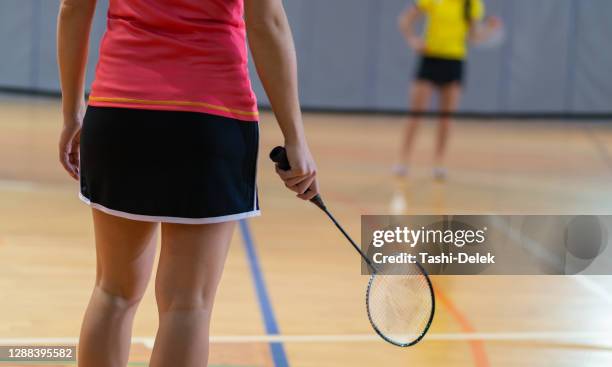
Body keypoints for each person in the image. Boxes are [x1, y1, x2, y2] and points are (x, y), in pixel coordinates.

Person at [57, 0, 318, 366]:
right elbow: (268, 23)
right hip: (208, 120)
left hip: (119, 112)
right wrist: (296, 136)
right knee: (187, 305)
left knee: (113, 292)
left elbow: (73, 9)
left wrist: (71, 112)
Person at [395, 0, 501, 180]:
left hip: (454, 61)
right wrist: (413, 39)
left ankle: (439, 162)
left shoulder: (472, 4)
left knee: (446, 118)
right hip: (430, 58)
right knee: (416, 114)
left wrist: (489, 30)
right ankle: (403, 160)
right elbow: (405, 19)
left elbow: (473, 37)